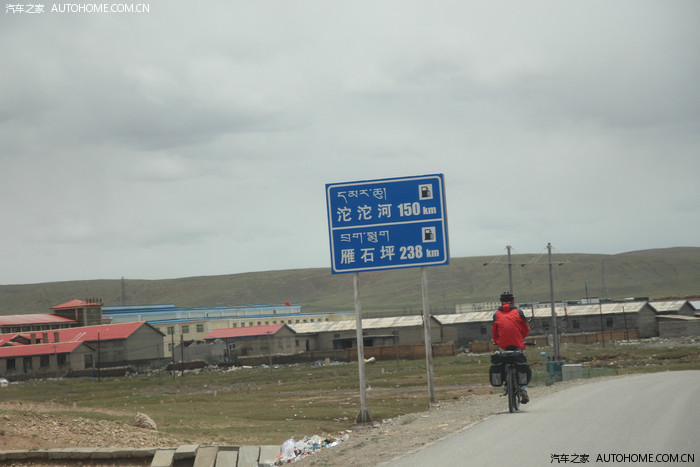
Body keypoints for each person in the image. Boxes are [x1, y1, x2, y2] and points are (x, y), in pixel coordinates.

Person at [492, 291, 531, 403]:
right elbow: (525, 329)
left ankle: (506, 382)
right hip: (518, 343)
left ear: (501, 302)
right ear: (513, 301)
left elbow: (494, 331)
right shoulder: (519, 312)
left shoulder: (496, 314)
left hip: (503, 344)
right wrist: (522, 336)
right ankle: (523, 389)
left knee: (504, 360)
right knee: (521, 363)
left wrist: (496, 341)